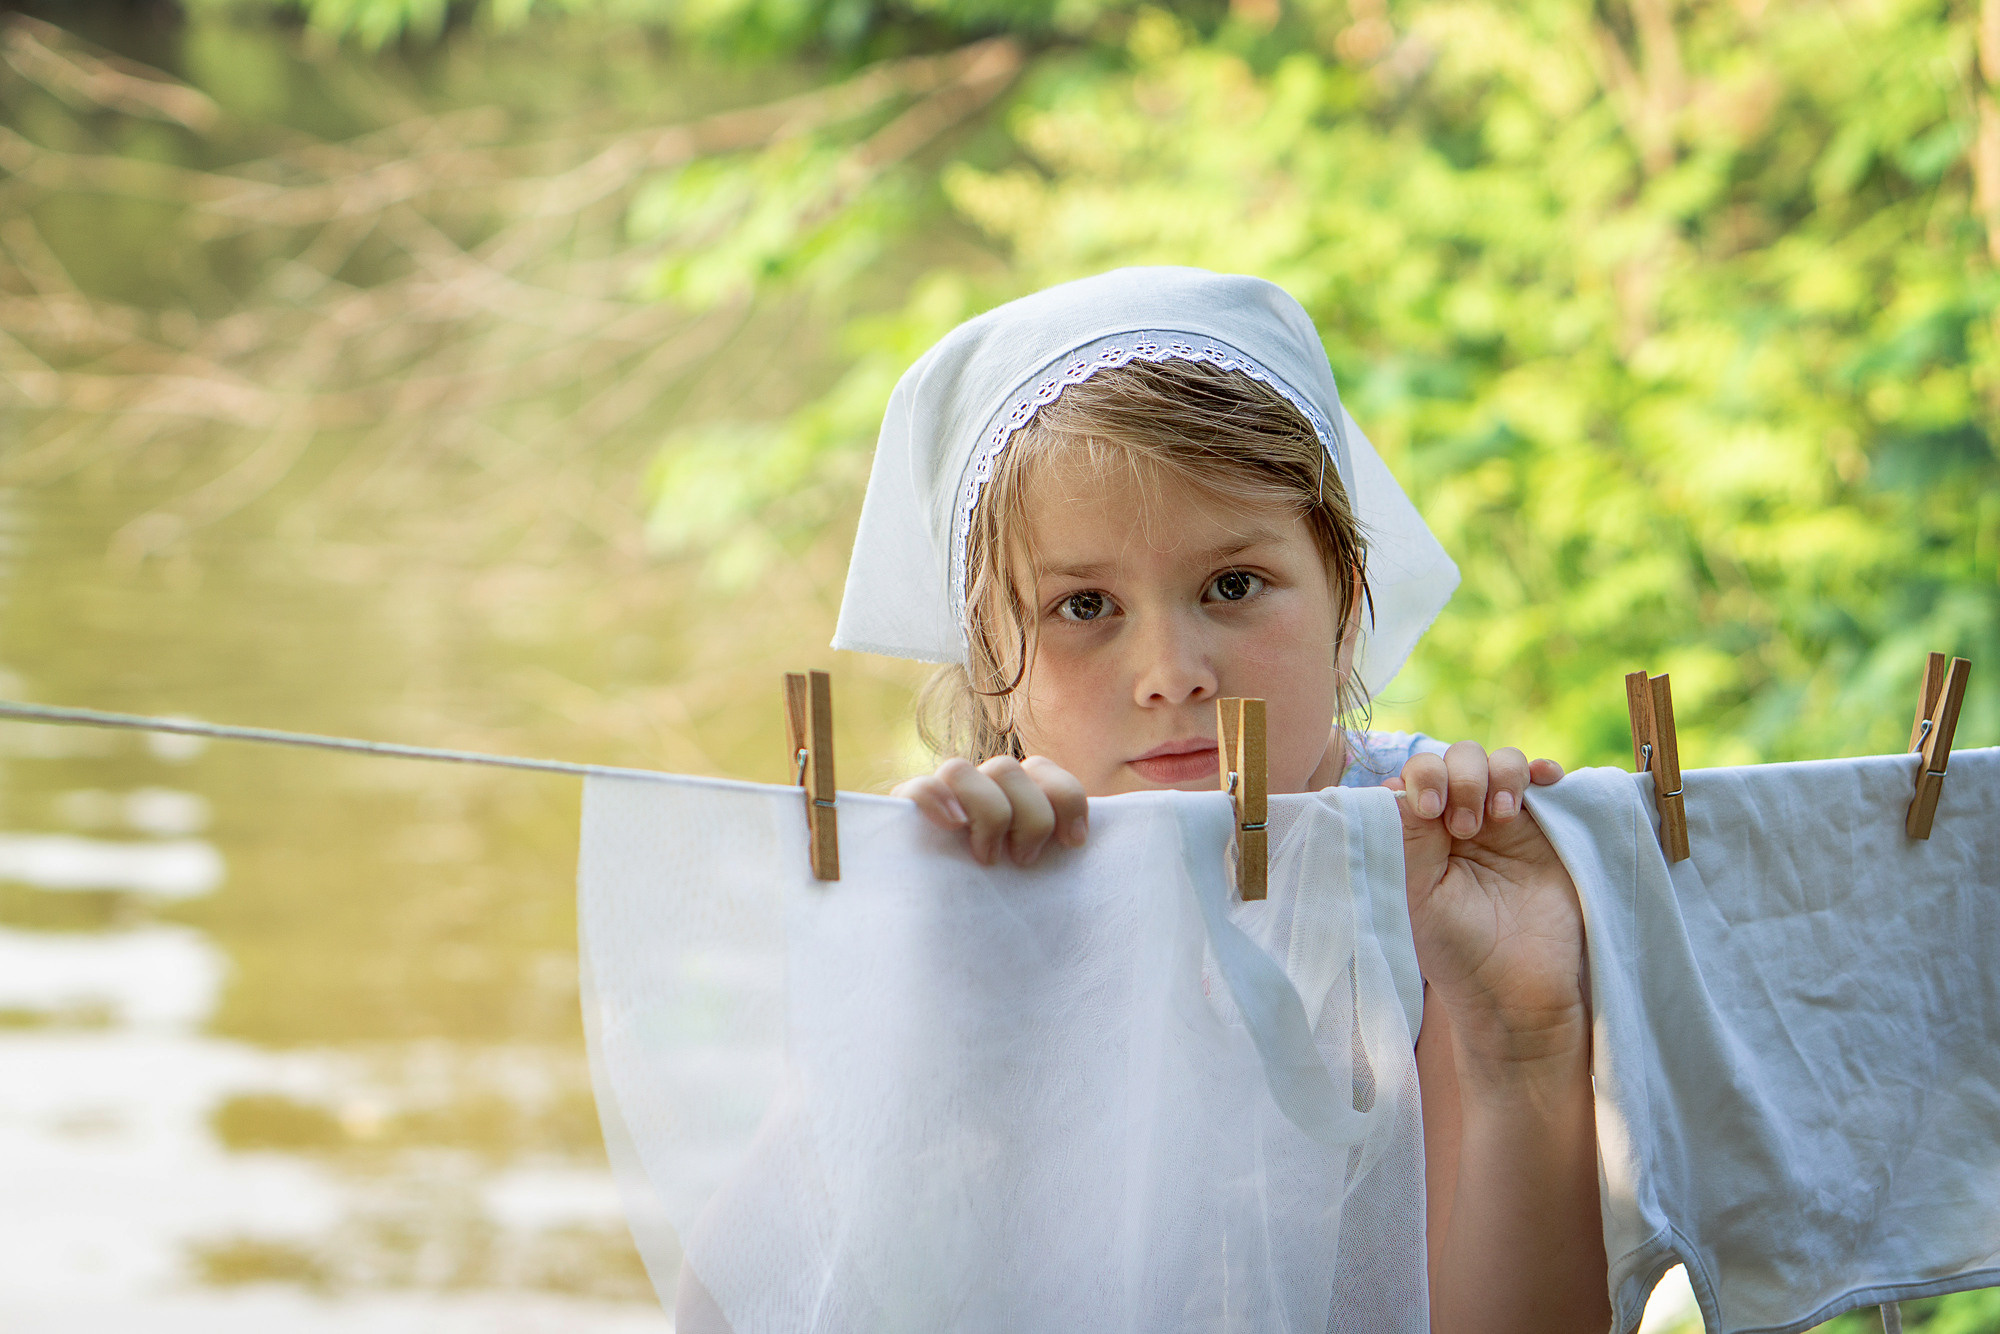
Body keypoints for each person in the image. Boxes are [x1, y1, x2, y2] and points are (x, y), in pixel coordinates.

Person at [681, 267, 1608, 1333]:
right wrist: (911, 1030)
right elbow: (734, 1311)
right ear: (989, 658)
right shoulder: (958, 887)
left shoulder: (1436, 868)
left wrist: (1521, 1039)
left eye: (1229, 585)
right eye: (1083, 605)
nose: (1171, 671)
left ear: (1346, 597)